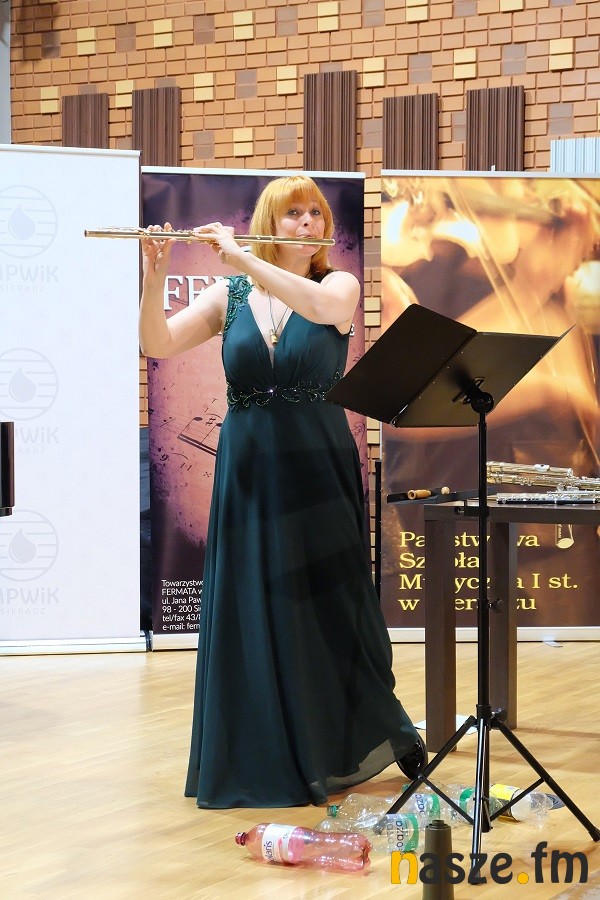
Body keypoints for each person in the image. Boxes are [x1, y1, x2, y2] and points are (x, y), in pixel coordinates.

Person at [139, 174, 425, 809]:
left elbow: (319, 311)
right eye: (294, 213)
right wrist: (154, 276)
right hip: (247, 466)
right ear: (270, 221)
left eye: (315, 214)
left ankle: (365, 732)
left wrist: (241, 258)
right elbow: (156, 342)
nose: (308, 224)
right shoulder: (230, 295)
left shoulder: (338, 285)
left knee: (327, 601)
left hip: (316, 462)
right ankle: (261, 751)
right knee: (254, 599)